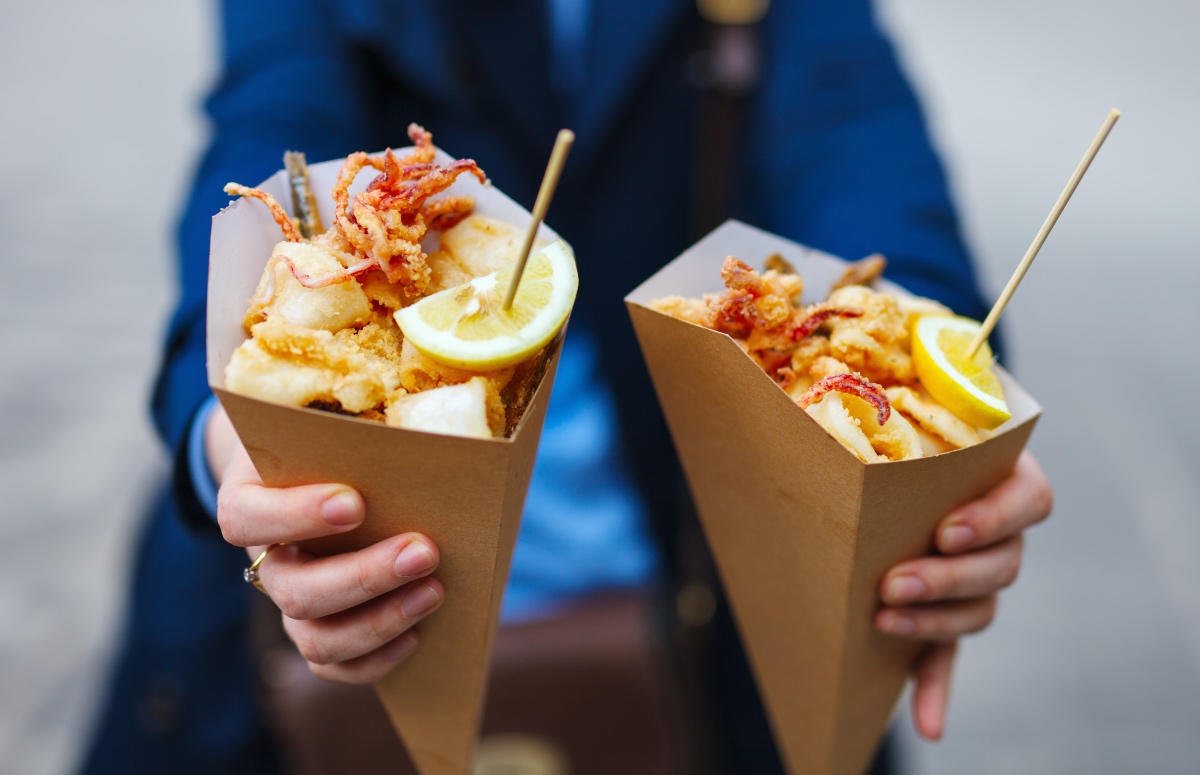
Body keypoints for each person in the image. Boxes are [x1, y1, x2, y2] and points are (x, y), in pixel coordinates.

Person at [81, 1, 1053, 773]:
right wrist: (231, 441)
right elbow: (270, 117)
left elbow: (854, 129)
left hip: (702, 585)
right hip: (315, 596)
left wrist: (932, 412)